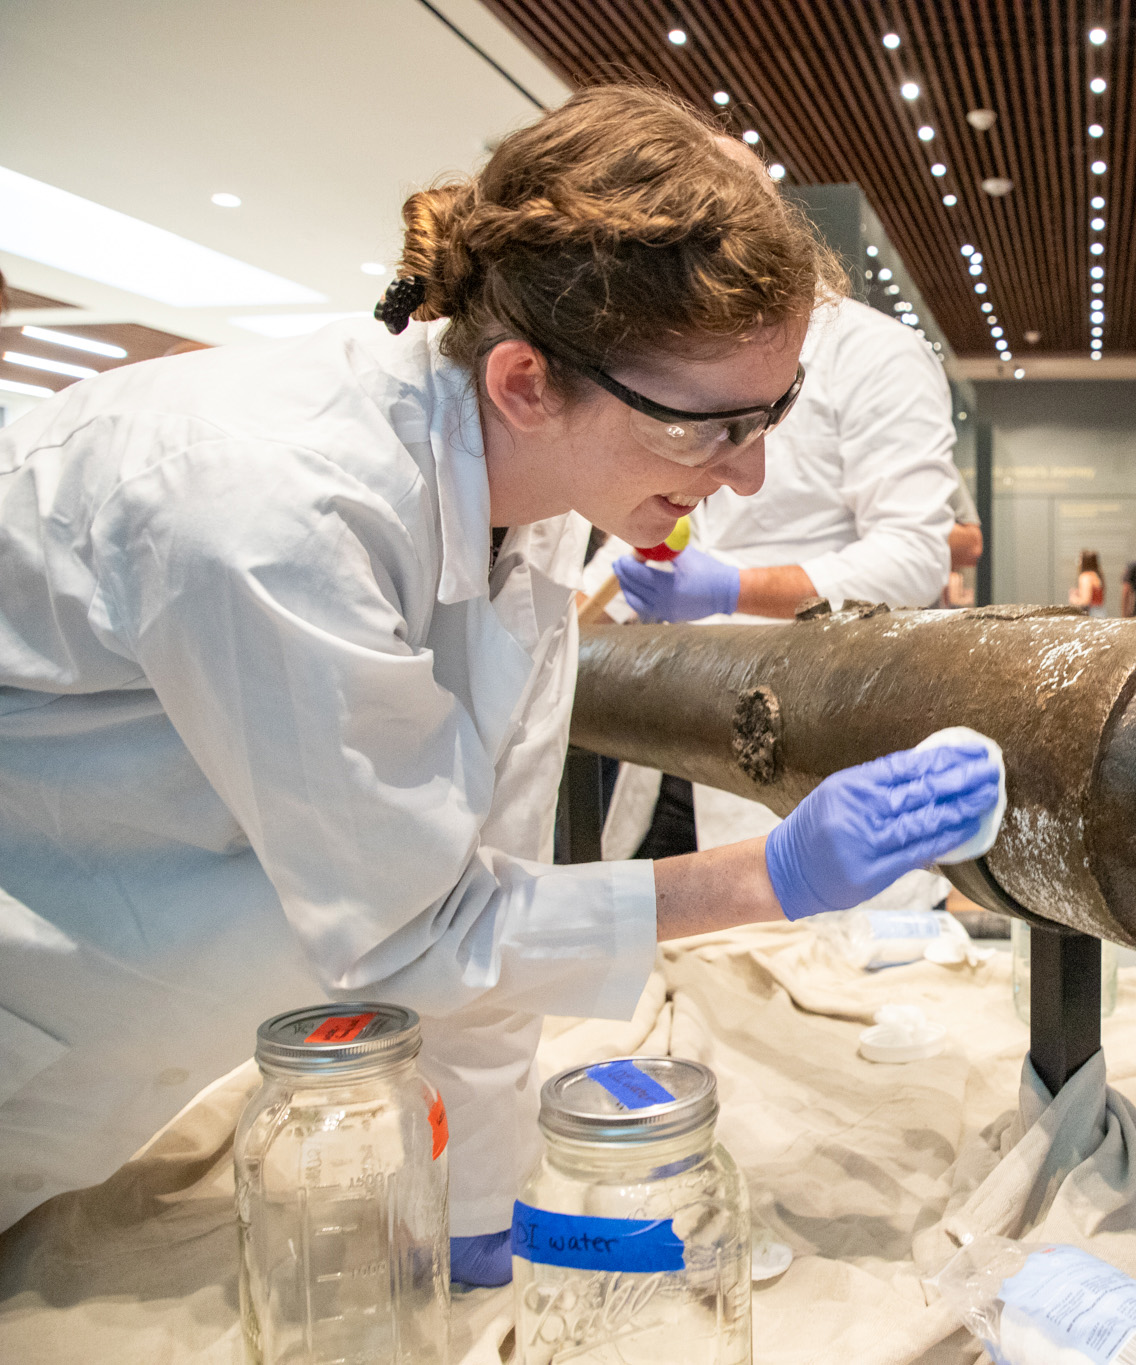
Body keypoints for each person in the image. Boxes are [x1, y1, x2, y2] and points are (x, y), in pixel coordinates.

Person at [0, 88, 1001, 1283]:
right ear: (529, 380)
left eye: (773, 411)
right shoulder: (265, 508)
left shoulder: (524, 497)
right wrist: (770, 875)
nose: (751, 473)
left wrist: (469, 1198)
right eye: (711, 428)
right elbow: (422, 933)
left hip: (111, 1050)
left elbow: (485, 883)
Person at [591, 282, 960, 859]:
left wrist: (733, 590)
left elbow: (911, 559)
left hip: (803, 732)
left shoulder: (876, 353)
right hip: (671, 730)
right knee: (664, 931)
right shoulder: (681, 339)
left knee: (793, 927)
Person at [1067, 549, 1106, 615]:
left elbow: (1086, 601)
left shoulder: (1085, 577)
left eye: (1079, 559)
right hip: (1100, 611)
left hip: (1091, 613)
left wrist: (1073, 598)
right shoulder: (1097, 576)